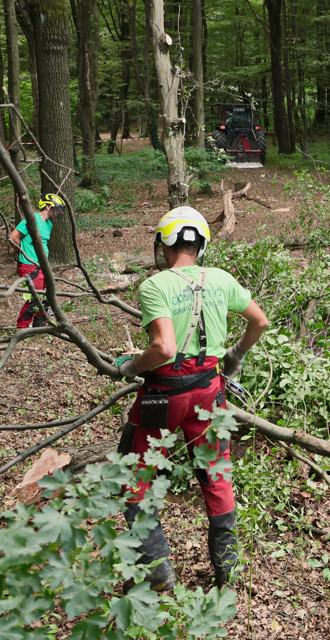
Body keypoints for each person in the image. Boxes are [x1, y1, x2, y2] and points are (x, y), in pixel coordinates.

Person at [113, 206, 269, 592]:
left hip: (164, 396)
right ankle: (227, 573)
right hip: (209, 392)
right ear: (200, 245)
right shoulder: (221, 279)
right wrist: (233, 358)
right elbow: (259, 321)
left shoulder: (155, 286)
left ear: (164, 245)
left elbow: (163, 348)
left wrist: (131, 367)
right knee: (216, 474)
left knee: (136, 478)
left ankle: (159, 572)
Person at [8, 193, 66, 329]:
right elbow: (13, 237)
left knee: (45, 295)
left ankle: (40, 324)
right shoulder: (32, 219)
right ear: (48, 206)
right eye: (57, 208)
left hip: (42, 265)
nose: (59, 212)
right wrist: (23, 253)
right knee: (34, 298)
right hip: (29, 266)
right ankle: (21, 328)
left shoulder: (49, 224)